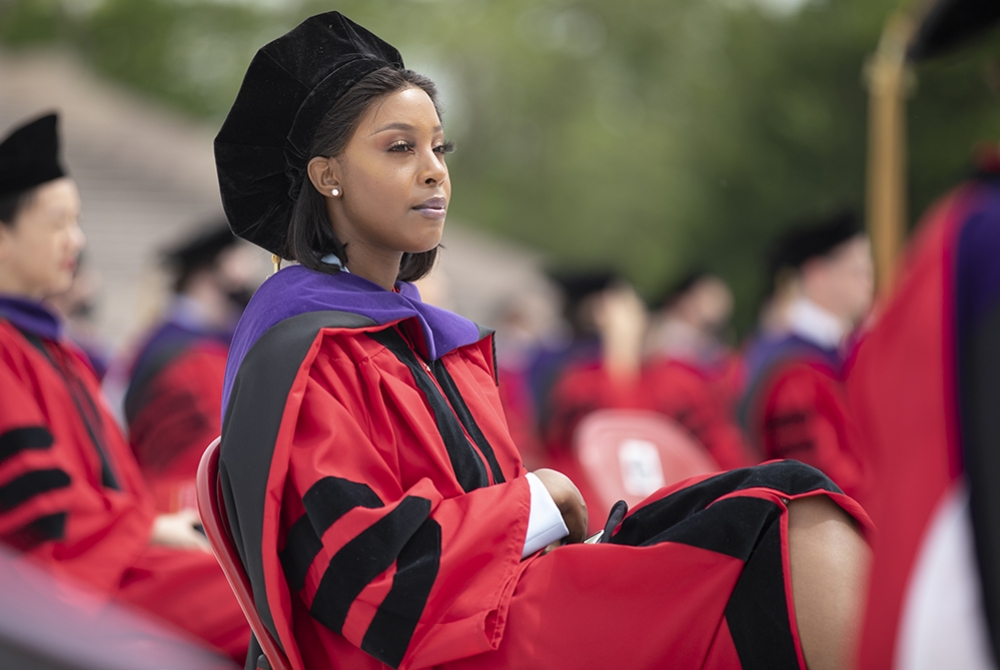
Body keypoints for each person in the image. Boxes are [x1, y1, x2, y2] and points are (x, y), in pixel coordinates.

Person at [215, 12, 872, 670]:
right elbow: (365, 575)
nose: (433, 172)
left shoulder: (408, 336)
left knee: (783, 498)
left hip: (495, 607)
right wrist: (535, 499)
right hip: (435, 646)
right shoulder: (307, 351)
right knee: (773, 531)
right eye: (398, 148)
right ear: (327, 175)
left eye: (439, 149)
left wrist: (536, 508)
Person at [0, 113, 250, 662]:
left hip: (114, 553)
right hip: (71, 583)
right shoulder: (8, 348)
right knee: (273, 612)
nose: (77, 240)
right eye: (59, 222)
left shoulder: (50, 347)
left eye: (78, 220)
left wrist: (152, 526)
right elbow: (39, 511)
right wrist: (149, 529)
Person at [116, 222, 260, 513]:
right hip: (178, 499)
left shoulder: (223, 338)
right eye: (236, 265)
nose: (246, 276)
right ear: (206, 275)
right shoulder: (164, 347)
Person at [738, 211, 873, 501]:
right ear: (818, 274)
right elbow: (818, 482)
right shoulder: (793, 370)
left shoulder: (841, 354)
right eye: (858, 271)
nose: (869, 282)